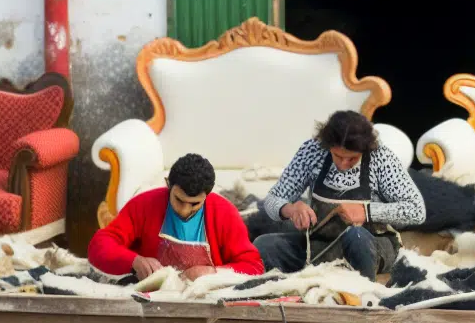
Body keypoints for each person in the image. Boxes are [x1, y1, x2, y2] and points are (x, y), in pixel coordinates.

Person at [254, 111, 427, 280]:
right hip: (319, 245)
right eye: (337, 156)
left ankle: (360, 293)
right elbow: (273, 199)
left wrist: (366, 211)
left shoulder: (381, 157)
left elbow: (416, 210)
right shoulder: (312, 151)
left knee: (356, 236)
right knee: (264, 245)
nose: (343, 165)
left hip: (371, 245)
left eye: (352, 159)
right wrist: (290, 209)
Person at [87, 152, 264, 280]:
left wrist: (212, 272)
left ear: (208, 195)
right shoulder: (144, 204)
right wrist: (134, 260)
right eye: (179, 200)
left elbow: (254, 267)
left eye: (195, 204)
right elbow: (99, 245)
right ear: (168, 185)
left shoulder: (225, 213)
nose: (185, 210)